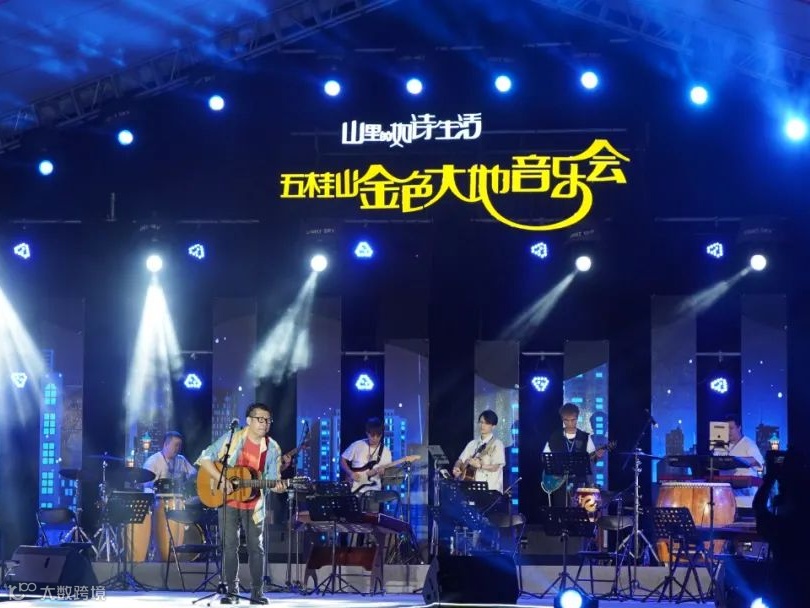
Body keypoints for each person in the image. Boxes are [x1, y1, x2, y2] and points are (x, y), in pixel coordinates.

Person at [196, 403, 284, 605]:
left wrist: (278, 486)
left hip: (254, 504)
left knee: (256, 547)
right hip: (227, 500)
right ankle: (230, 591)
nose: (264, 423)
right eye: (260, 419)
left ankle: (257, 593)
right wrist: (221, 479)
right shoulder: (233, 438)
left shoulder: (272, 448)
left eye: (268, 420)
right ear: (249, 421)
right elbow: (205, 458)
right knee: (229, 546)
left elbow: (272, 479)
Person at [542, 403, 598, 507]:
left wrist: (597, 455)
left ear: (577, 418)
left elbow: (592, 458)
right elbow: (545, 457)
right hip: (559, 483)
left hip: (579, 482)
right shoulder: (555, 437)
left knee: (578, 510)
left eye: (573, 420)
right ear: (562, 419)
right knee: (560, 509)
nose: (570, 423)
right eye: (566, 420)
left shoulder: (585, 437)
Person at [711, 413, 764, 510]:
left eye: (731, 428)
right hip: (726, 500)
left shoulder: (749, 444)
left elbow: (758, 463)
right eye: (725, 429)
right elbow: (714, 463)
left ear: (739, 428)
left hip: (746, 501)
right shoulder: (721, 446)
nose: (728, 432)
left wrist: (736, 460)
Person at [341, 418, 393, 510]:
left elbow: (386, 477)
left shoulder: (386, 452)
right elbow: (342, 460)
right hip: (355, 491)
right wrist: (350, 473)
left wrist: (383, 473)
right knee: (353, 518)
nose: (375, 438)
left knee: (371, 518)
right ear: (367, 433)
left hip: (373, 493)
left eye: (378, 435)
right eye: (372, 435)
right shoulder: (357, 445)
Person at [452, 410, 506, 492]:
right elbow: (460, 460)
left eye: (486, 423)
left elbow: (496, 467)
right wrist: (456, 467)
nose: (482, 425)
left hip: (491, 489)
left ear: (493, 426)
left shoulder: (497, 444)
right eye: (481, 422)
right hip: (471, 488)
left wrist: (480, 466)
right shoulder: (472, 443)